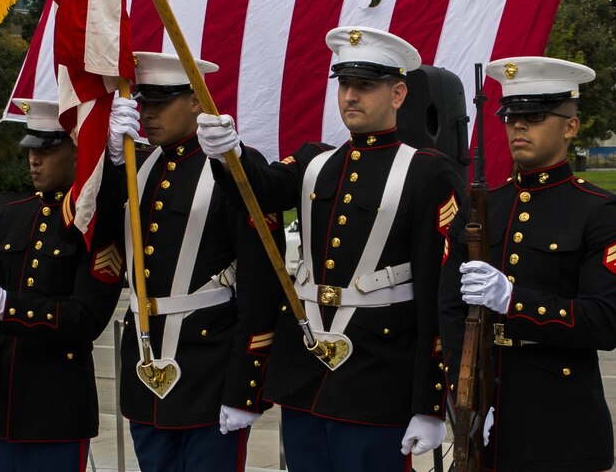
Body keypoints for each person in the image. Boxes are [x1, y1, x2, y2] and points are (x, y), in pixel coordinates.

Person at [196, 27, 463, 471]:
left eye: (366, 85)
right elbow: (260, 189)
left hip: (379, 380)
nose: (350, 96)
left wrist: (430, 403)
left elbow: (438, 296)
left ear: (398, 93)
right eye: (344, 84)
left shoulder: (427, 173)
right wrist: (230, 154)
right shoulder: (316, 163)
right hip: (307, 375)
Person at [438, 56, 616, 471]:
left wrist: (514, 301)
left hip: (559, 421)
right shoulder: (483, 208)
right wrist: (464, 395)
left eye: (535, 115)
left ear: (570, 126)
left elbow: (606, 322)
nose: (518, 126)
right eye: (511, 115)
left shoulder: (598, 211)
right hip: (483, 414)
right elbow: (451, 312)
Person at [105, 52, 284, 472]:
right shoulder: (139, 166)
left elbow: (260, 287)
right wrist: (112, 163)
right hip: (146, 373)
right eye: (142, 103)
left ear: (196, 102)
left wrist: (246, 389)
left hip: (210, 372)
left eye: (160, 102)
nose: (147, 114)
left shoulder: (232, 167)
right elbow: (98, 238)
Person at [0, 99, 123, 471]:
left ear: (77, 149)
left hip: (57, 411)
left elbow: (86, 319)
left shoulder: (93, 224)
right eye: (32, 149)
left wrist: (5, 304)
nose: (35, 159)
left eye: (48, 149)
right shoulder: (10, 218)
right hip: (2, 412)